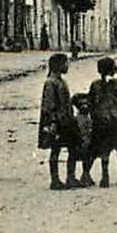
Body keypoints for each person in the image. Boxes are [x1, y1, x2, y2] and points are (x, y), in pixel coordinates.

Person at [85, 57, 117, 187]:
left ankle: (105, 176)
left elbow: (91, 102)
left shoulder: (95, 84)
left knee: (104, 150)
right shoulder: (116, 83)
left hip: (103, 120)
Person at [37, 52, 81, 189]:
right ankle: (55, 180)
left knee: (73, 148)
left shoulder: (60, 81)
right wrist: (53, 123)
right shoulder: (51, 83)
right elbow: (48, 106)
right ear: (58, 65)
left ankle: (70, 177)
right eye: (65, 63)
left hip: (66, 121)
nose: (68, 65)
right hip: (57, 123)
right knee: (55, 150)